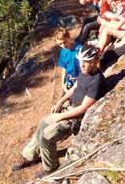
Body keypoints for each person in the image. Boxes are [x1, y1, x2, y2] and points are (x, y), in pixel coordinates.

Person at [12, 45, 107, 179]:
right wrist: (60, 101)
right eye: (80, 61)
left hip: (75, 118)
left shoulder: (96, 80)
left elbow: (84, 108)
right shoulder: (85, 72)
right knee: (42, 124)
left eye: (85, 62)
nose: (81, 65)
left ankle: (51, 168)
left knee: (47, 136)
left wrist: (60, 116)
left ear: (93, 62)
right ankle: (29, 155)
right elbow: (75, 87)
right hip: (69, 108)